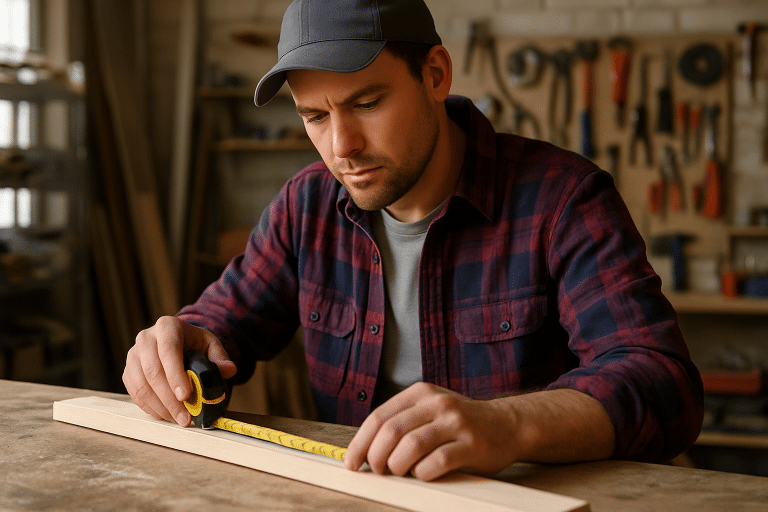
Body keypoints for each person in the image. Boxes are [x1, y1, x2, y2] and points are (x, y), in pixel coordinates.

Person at [123, 0, 704, 482]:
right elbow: (223, 323)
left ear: (435, 75)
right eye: (314, 117)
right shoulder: (306, 205)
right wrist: (181, 344)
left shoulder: (563, 200)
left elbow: (660, 381)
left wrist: (506, 425)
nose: (342, 147)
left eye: (366, 104)